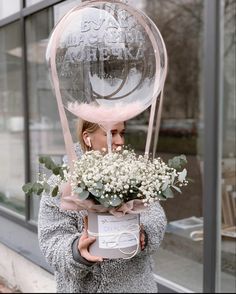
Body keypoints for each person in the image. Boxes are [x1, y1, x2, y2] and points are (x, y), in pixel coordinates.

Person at [38, 119, 167, 293]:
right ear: (87, 138)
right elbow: (51, 239)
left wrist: (145, 233)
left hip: (136, 287)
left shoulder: (135, 175)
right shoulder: (62, 184)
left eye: (122, 133)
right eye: (111, 133)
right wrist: (77, 251)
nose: (120, 141)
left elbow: (155, 215)